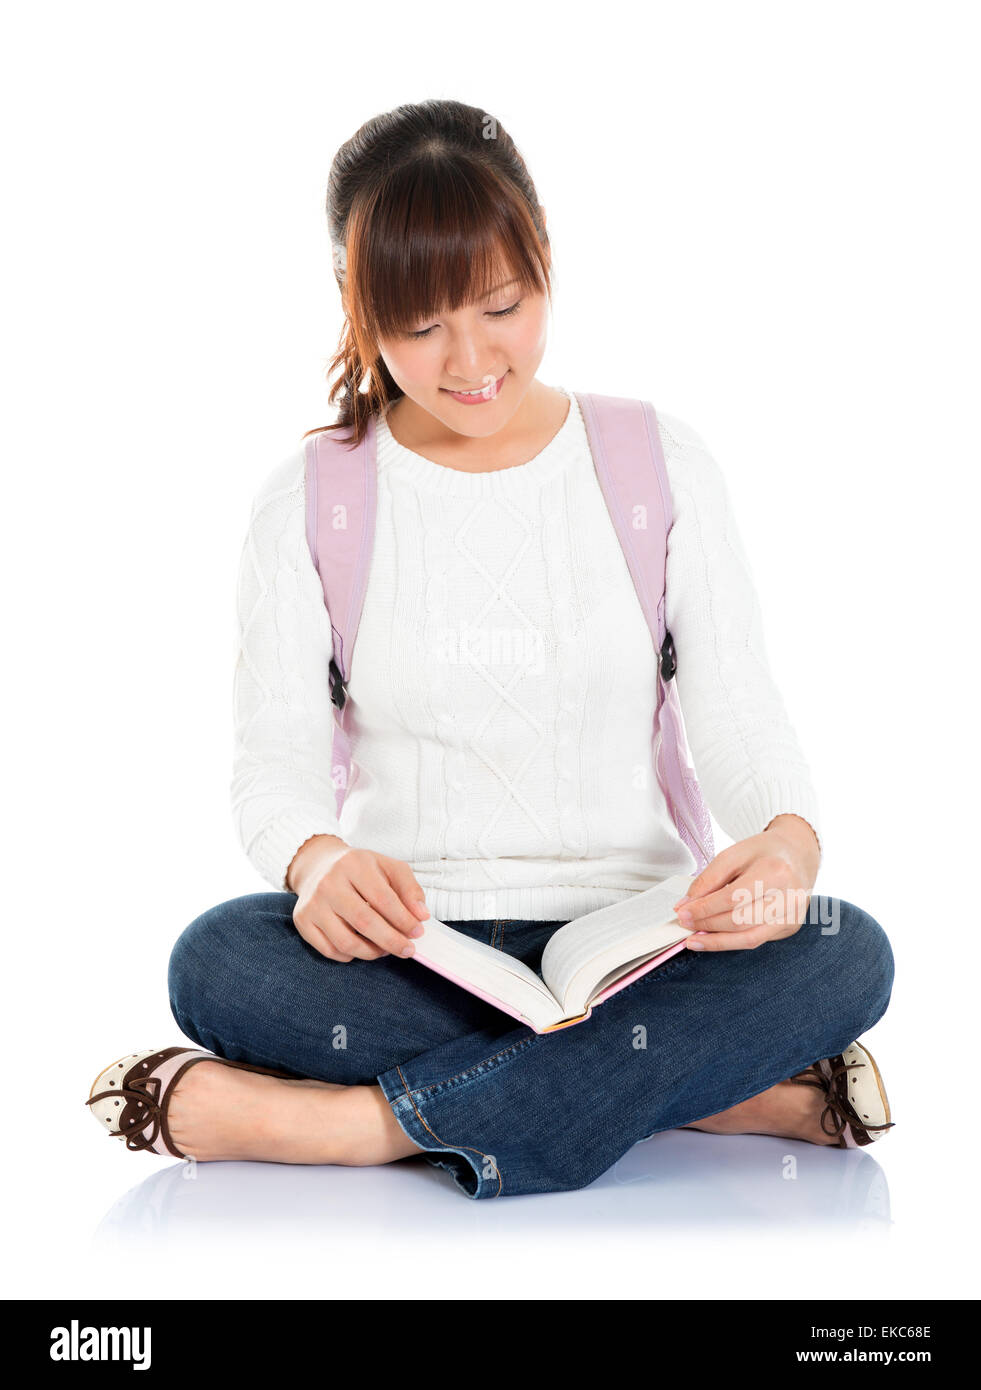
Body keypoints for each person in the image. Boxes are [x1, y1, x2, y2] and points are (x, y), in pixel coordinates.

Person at [86, 98, 895, 1199]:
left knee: (850, 948)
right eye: (420, 327)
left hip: (637, 947)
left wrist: (789, 851)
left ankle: (358, 1127)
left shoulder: (658, 463)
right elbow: (271, 765)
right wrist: (316, 865)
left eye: (501, 307)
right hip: (418, 949)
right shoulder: (311, 501)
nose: (471, 361)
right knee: (219, 960)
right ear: (355, 305)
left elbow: (739, 716)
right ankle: (707, 1092)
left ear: (545, 257)